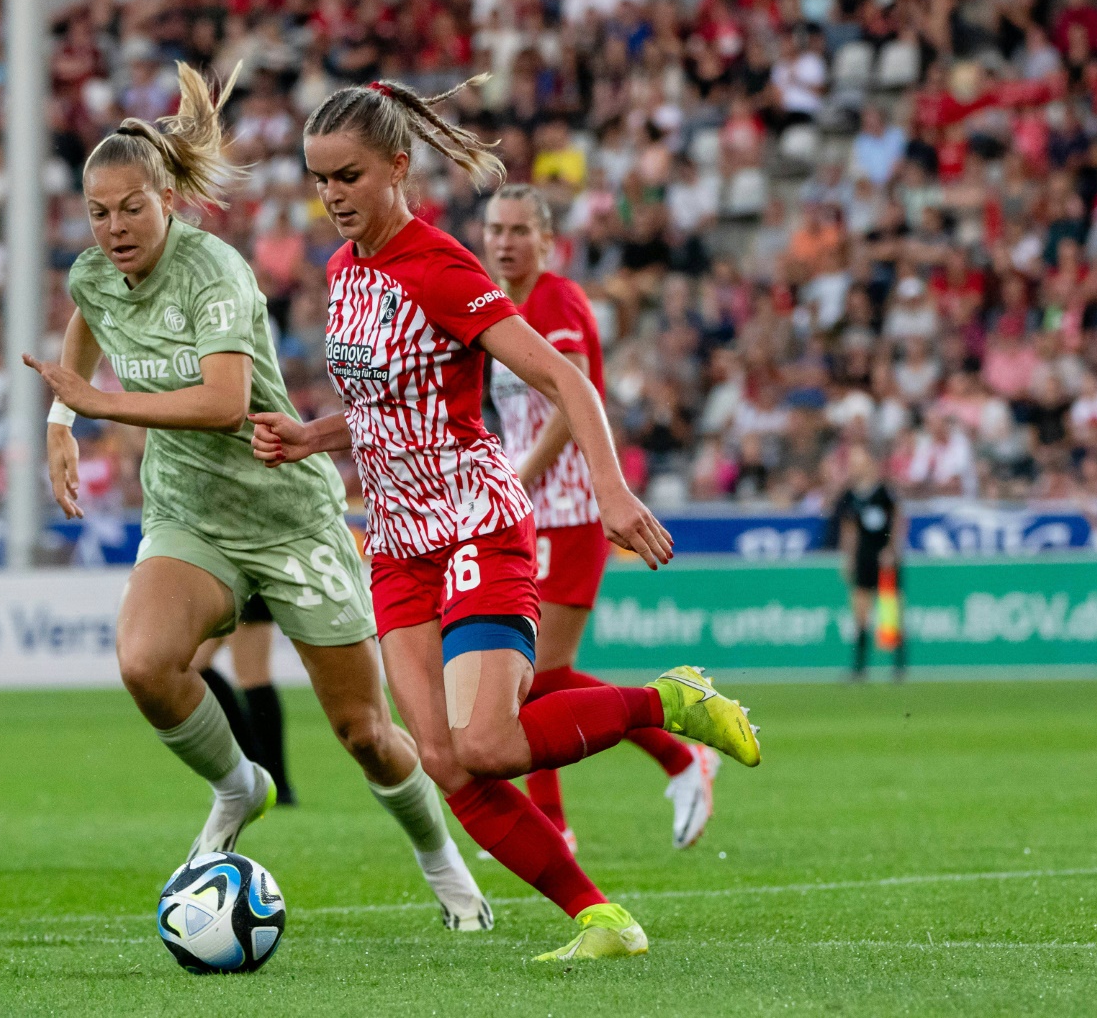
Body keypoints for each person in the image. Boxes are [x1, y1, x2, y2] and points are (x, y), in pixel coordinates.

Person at [252, 76, 762, 963]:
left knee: (487, 743)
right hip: (398, 545)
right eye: (320, 178)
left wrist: (609, 491)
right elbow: (386, 402)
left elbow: (567, 380)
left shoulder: (442, 266)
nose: (331, 196)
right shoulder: (343, 271)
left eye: (348, 176)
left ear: (398, 167)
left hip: (475, 523)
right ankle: (603, 920)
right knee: (445, 763)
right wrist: (312, 435)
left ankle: (668, 701)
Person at [21, 61, 491, 931]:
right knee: (143, 663)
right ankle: (242, 787)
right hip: (190, 516)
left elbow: (224, 404)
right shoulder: (94, 271)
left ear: (168, 196)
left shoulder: (217, 275)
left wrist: (97, 406)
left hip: (289, 517)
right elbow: (87, 318)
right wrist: (59, 417)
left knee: (364, 734)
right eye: (99, 212)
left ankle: (443, 862)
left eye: (132, 207)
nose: (115, 227)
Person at [482, 183, 719, 851]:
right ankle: (555, 824)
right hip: (532, 514)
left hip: (571, 508)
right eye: (496, 229)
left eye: (519, 230)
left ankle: (681, 756)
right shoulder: (501, 307)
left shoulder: (555, 299)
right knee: (522, 679)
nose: (504, 241)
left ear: (547, 239)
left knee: (542, 675)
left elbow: (570, 395)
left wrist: (519, 475)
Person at [193, 596, 295, 805]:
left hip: (245, 577)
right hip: (222, 577)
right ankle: (253, 771)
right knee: (194, 665)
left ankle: (276, 784)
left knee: (253, 676)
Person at [835, 445, 907, 681]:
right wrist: (849, 558)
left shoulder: (884, 491)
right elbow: (849, 530)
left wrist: (892, 549)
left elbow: (898, 518)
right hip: (864, 557)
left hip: (884, 557)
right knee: (861, 613)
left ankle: (898, 666)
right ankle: (859, 668)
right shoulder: (851, 496)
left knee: (889, 612)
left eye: (860, 462)